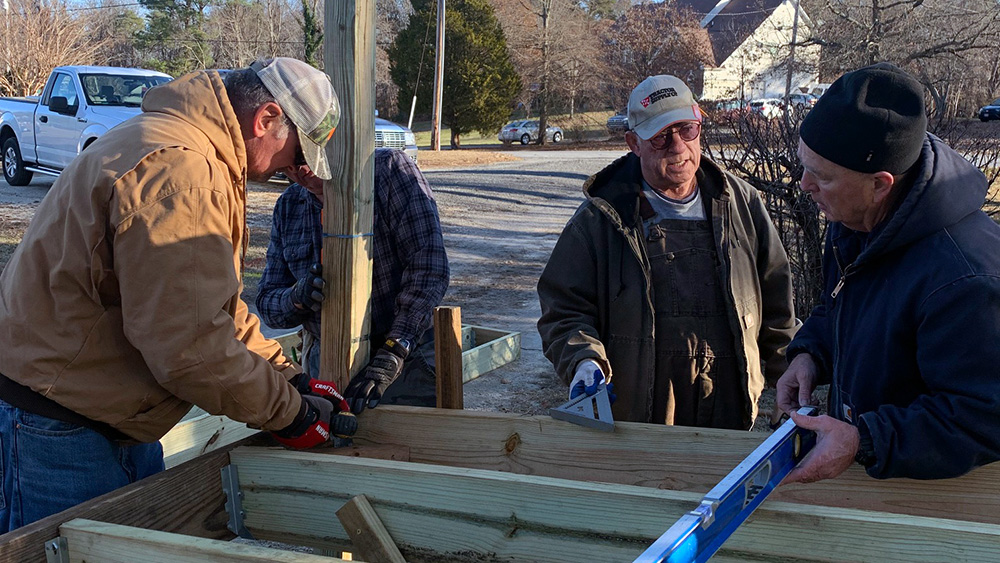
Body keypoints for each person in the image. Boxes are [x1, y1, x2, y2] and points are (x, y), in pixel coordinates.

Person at [0, 58, 355, 533]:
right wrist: (288, 415)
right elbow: (189, 347)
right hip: (63, 426)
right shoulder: (182, 171)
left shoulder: (178, 145)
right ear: (266, 119)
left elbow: (209, 309)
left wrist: (289, 377)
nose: (298, 169)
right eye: (297, 151)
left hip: (96, 411)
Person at [777, 62, 1000, 482]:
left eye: (821, 177)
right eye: (803, 165)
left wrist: (865, 440)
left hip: (936, 503)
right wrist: (810, 353)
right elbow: (841, 303)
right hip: (869, 474)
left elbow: (983, 415)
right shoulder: (855, 218)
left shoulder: (967, 279)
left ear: (881, 183)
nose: (804, 185)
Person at [537, 75, 798, 429]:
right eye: (660, 136)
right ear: (634, 143)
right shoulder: (601, 219)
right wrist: (584, 361)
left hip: (731, 405)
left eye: (686, 129)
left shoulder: (742, 204)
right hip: (641, 414)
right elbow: (563, 312)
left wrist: (789, 384)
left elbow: (777, 310)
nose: (678, 147)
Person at [255, 148, 449, 414]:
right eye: (287, 167)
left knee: (410, 447)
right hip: (326, 358)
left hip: (405, 354)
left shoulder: (387, 171)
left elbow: (428, 268)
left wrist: (394, 351)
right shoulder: (289, 206)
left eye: (304, 159)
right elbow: (267, 303)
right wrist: (296, 298)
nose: (299, 172)